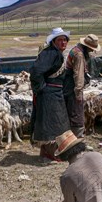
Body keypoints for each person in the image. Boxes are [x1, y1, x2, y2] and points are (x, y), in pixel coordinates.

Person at [30, 28, 71, 160]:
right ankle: (51, 152)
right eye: (60, 40)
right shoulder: (51, 53)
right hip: (49, 94)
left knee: (50, 121)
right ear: (54, 41)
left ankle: (45, 151)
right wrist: (41, 87)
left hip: (54, 92)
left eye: (65, 40)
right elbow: (36, 70)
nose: (63, 42)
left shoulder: (55, 53)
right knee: (53, 123)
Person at [64, 34, 101, 137]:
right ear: (87, 47)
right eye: (91, 49)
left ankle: (68, 140)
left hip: (68, 86)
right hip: (73, 88)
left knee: (70, 113)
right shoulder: (79, 55)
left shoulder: (75, 50)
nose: (92, 51)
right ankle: (76, 141)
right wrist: (78, 93)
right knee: (77, 115)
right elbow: (78, 75)